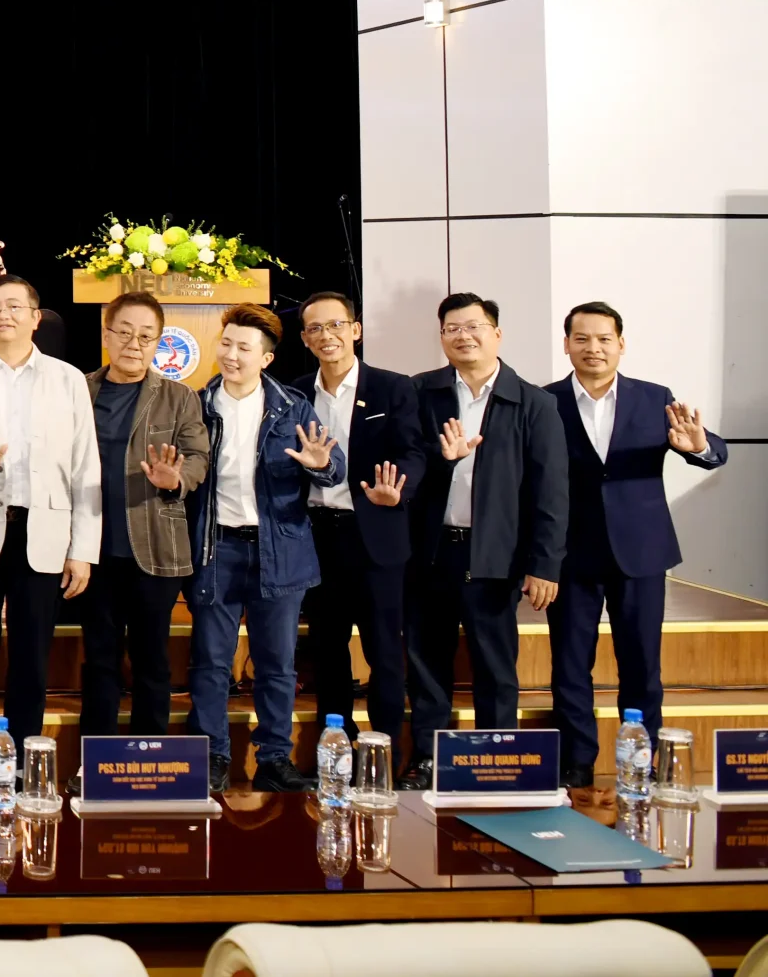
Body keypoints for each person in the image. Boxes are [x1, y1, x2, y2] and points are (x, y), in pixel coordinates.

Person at [546, 300, 726, 787]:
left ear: (621, 344)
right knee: (570, 664)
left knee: (642, 663)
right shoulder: (544, 401)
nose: (594, 348)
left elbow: (713, 449)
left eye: (604, 339)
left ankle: (642, 760)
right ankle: (577, 761)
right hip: (570, 554)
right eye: (582, 338)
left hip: (641, 552)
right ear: (566, 345)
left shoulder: (653, 398)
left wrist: (698, 446)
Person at [0, 274, 99, 791]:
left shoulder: (68, 379)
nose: (2, 314)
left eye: (13, 306)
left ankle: (26, 764)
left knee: (31, 658)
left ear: (35, 317)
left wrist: (83, 548)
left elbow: (85, 466)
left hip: (43, 533)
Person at [405, 292, 568, 787]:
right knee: (427, 662)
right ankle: (428, 759)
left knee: (495, 666)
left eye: (473, 326)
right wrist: (443, 461)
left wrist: (545, 564)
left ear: (496, 333)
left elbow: (551, 492)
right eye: (452, 328)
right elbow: (410, 468)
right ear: (441, 337)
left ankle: (498, 759)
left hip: (496, 554)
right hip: (432, 551)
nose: (463, 336)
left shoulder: (534, 402)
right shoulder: (421, 392)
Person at [184, 304, 343, 793]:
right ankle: (212, 754)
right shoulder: (196, 404)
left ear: (266, 358)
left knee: (277, 664)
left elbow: (333, 469)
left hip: (280, 550)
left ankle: (275, 757)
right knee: (211, 660)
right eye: (226, 344)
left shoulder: (293, 406)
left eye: (244, 348)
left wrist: (319, 465)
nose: (231, 355)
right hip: (216, 548)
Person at [294, 289, 425, 762]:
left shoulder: (392, 387)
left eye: (335, 325)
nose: (326, 335)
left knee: (383, 652)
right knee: (327, 650)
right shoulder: (295, 393)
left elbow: (413, 452)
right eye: (315, 328)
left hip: (375, 535)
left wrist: (398, 491)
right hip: (316, 537)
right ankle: (336, 752)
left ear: (356, 330)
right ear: (305, 339)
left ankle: (384, 753)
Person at [74, 291, 207, 744]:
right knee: (100, 658)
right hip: (91, 549)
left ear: (158, 343)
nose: (134, 344)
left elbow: (198, 456)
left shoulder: (178, 396)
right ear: (106, 334)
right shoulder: (79, 390)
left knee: (152, 659)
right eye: (125, 333)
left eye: (146, 336)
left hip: (155, 547)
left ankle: (151, 755)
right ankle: (98, 759)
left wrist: (176, 478)